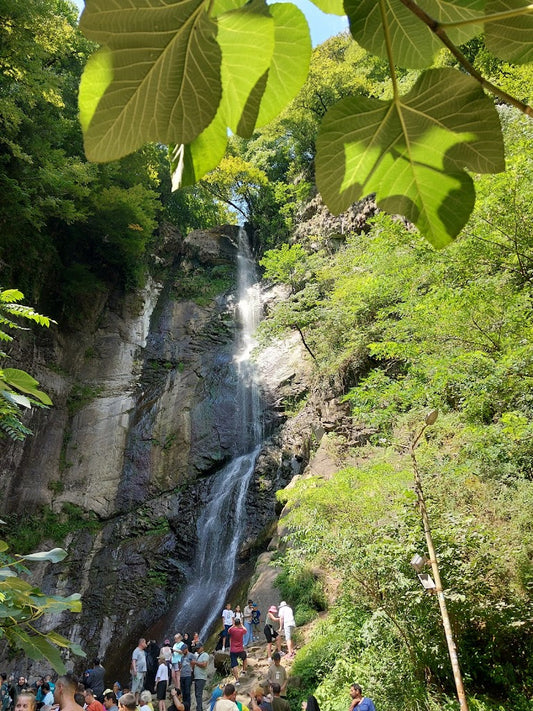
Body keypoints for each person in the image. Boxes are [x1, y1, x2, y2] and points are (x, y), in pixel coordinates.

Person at [228, 618, 247, 685]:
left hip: (233, 650)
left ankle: (237, 681)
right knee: (244, 657)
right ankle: (244, 671)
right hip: (240, 649)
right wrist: (241, 624)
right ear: (239, 623)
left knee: (234, 665)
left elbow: (228, 630)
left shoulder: (232, 630)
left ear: (234, 623)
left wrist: (233, 625)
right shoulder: (241, 630)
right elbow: (245, 630)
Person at [191, 641, 209, 711]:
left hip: (201, 677)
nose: (197, 650)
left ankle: (199, 709)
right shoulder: (199, 656)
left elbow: (204, 665)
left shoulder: (205, 655)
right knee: (197, 694)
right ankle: (199, 707)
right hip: (197, 677)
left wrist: (195, 662)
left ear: (202, 648)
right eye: (196, 649)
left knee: (198, 693)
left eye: (198, 648)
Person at [131, 638, 148, 703]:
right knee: (134, 687)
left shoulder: (143, 652)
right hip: (137, 671)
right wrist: (134, 670)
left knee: (139, 688)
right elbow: (134, 660)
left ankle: (136, 702)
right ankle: (131, 702)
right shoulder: (136, 651)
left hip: (142, 672)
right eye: (145, 643)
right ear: (141, 643)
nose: (146, 644)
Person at [179, 645, 194, 711]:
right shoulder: (182, 657)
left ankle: (188, 707)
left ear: (186, 649)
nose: (182, 652)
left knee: (187, 692)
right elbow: (181, 665)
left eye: (183, 650)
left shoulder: (191, 655)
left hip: (188, 675)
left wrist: (191, 669)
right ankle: (184, 707)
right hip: (182, 675)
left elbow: (194, 663)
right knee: (183, 692)